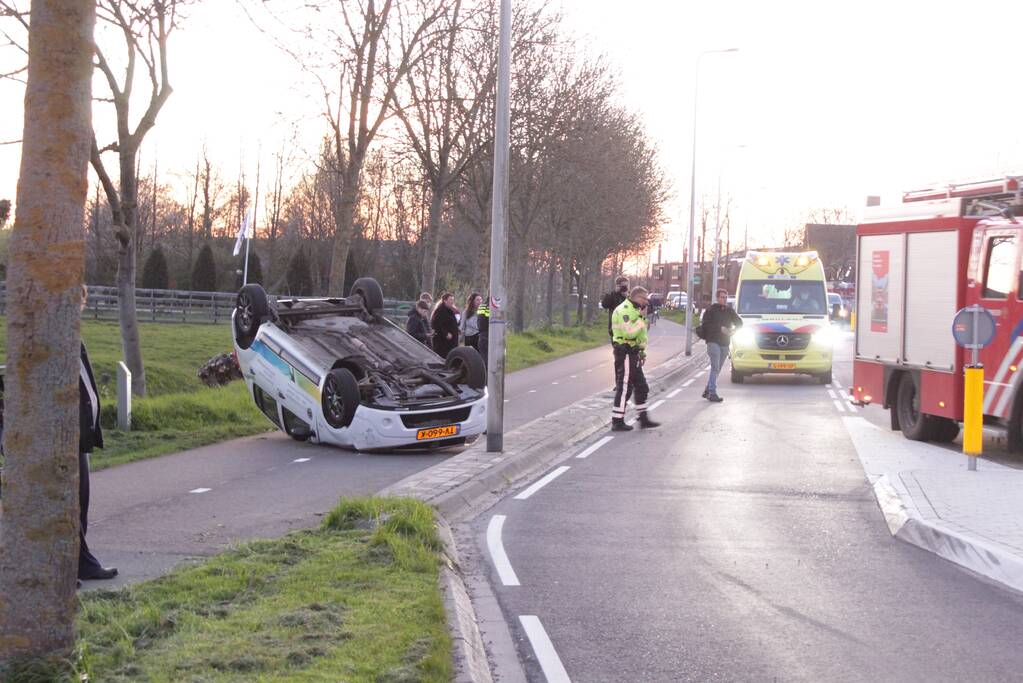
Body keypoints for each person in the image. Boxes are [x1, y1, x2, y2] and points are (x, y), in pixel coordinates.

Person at [78, 285, 117, 582]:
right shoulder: (56, 338)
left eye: (82, 301)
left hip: (81, 435)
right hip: (66, 437)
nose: (80, 307)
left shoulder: (74, 339)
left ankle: (80, 562)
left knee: (82, 502)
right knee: (72, 502)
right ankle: (79, 563)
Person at [611, 286, 660, 431]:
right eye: (644, 298)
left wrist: (642, 352)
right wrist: (641, 319)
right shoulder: (625, 310)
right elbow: (630, 333)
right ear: (636, 297)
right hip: (624, 351)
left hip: (634, 352)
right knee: (624, 387)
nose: (646, 301)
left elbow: (641, 335)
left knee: (642, 387)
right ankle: (617, 421)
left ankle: (643, 419)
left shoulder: (636, 311)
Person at [700, 288, 743, 403]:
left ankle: (707, 390)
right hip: (713, 341)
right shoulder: (711, 310)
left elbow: (739, 322)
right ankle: (712, 393)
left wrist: (733, 331)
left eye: (726, 297)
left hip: (725, 342)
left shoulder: (729, 311)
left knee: (717, 368)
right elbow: (706, 325)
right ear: (717, 298)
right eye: (722, 297)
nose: (724, 299)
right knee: (715, 367)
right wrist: (720, 328)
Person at [601, 276, 629, 341]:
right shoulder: (612, 295)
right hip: (615, 326)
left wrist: (627, 297)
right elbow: (604, 305)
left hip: (627, 326)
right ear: (617, 285)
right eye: (623, 286)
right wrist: (613, 293)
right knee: (617, 348)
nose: (624, 288)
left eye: (626, 286)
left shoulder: (629, 296)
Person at [431, 292, 460, 358]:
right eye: (450, 300)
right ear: (445, 301)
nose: (452, 302)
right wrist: (445, 333)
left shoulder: (450, 310)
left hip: (451, 341)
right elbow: (436, 324)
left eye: (453, 300)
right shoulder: (440, 311)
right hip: (443, 342)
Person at [477, 296, 491, 369]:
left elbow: (480, 321)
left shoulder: (482, 306)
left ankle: (483, 377)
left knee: (484, 357)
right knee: (489, 360)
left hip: (481, 334)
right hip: (489, 335)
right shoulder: (493, 307)